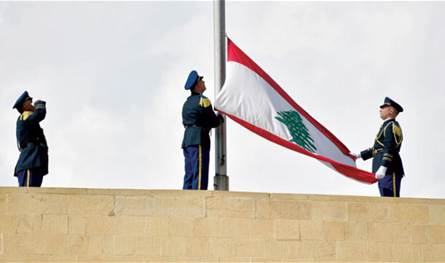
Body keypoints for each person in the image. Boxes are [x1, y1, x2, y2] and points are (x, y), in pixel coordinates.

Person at [353, 97, 404, 197]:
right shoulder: (386, 126)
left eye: (383, 107)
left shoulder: (392, 126)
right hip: (383, 170)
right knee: (385, 199)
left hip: (390, 168)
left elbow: (390, 147)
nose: (380, 110)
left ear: (390, 110)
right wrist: (358, 155)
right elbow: (377, 149)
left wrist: (384, 167)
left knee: (391, 200)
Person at [181, 70, 223, 190]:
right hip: (198, 139)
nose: (203, 81)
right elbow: (213, 121)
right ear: (197, 84)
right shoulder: (203, 100)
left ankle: (187, 200)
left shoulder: (187, 103)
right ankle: (198, 200)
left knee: (189, 174)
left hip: (188, 140)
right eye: (201, 80)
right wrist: (221, 116)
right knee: (199, 173)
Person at [12, 91, 49, 187]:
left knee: (33, 196)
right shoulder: (25, 115)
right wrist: (40, 106)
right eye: (29, 101)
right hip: (30, 162)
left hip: (35, 162)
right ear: (24, 106)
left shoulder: (28, 117)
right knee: (27, 194)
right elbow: (39, 115)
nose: (32, 103)